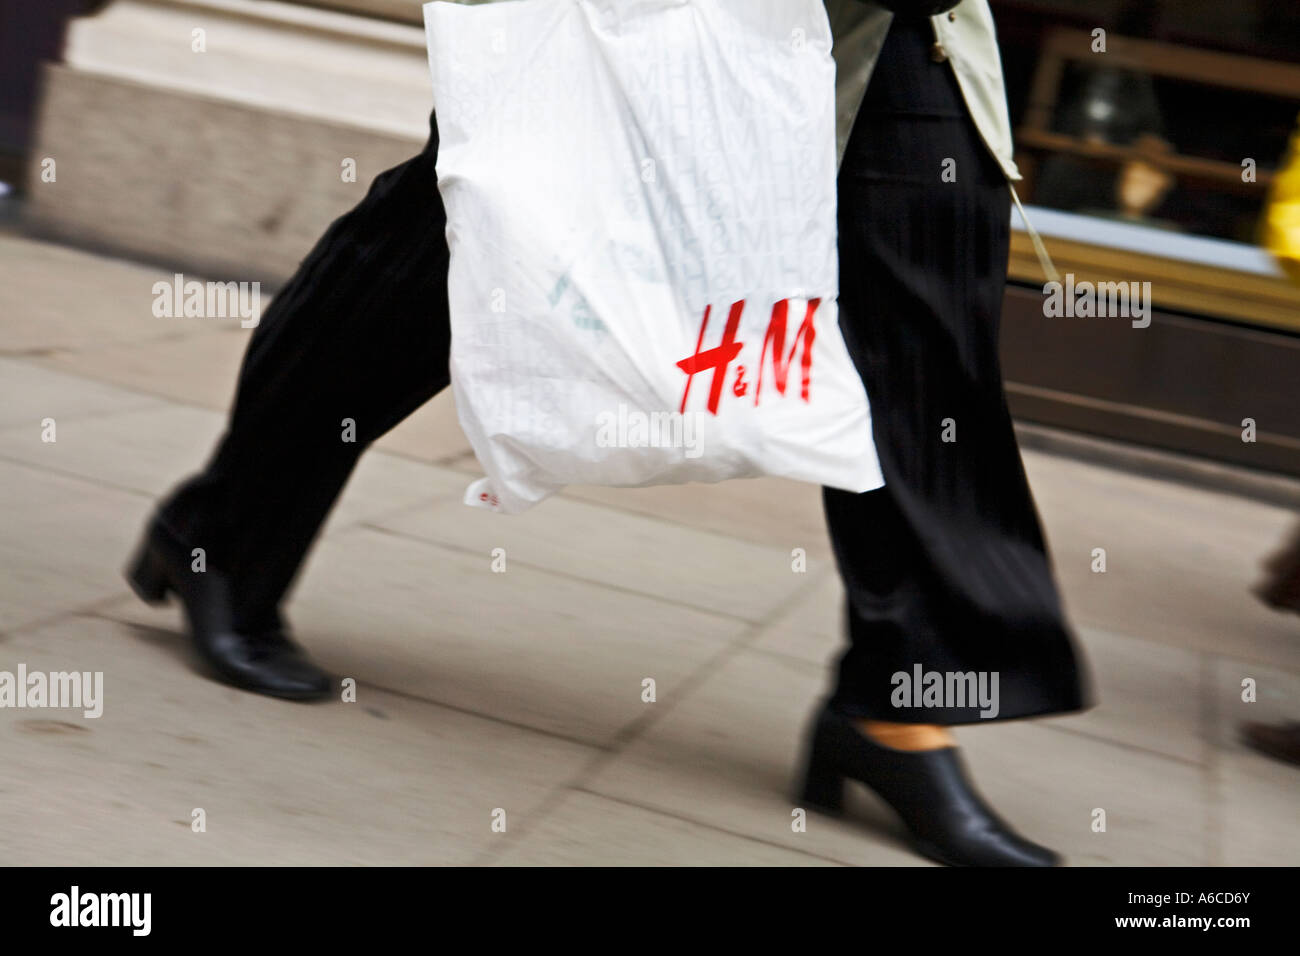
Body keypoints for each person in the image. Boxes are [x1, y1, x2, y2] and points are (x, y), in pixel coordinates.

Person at [126, 0, 1087, 866]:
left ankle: (897, 706)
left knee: (926, 262)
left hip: (901, 22)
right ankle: (224, 536)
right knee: (461, 243)